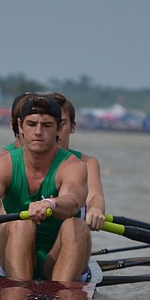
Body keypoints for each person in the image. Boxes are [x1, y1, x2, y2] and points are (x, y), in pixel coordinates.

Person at [0, 95, 91, 281]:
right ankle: (18, 292)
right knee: (22, 225)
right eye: (31, 124)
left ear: (58, 127)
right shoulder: (4, 164)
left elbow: (72, 201)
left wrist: (51, 203)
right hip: (13, 249)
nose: (38, 131)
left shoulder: (74, 166)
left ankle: (63, 297)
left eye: (46, 125)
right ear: (20, 126)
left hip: (57, 256)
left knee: (78, 226)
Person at [46, 92, 107, 231]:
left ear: (73, 127)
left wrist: (95, 210)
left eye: (61, 123)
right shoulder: (20, 160)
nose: (56, 130)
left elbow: (95, 196)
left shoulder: (87, 162)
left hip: (70, 233)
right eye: (50, 123)